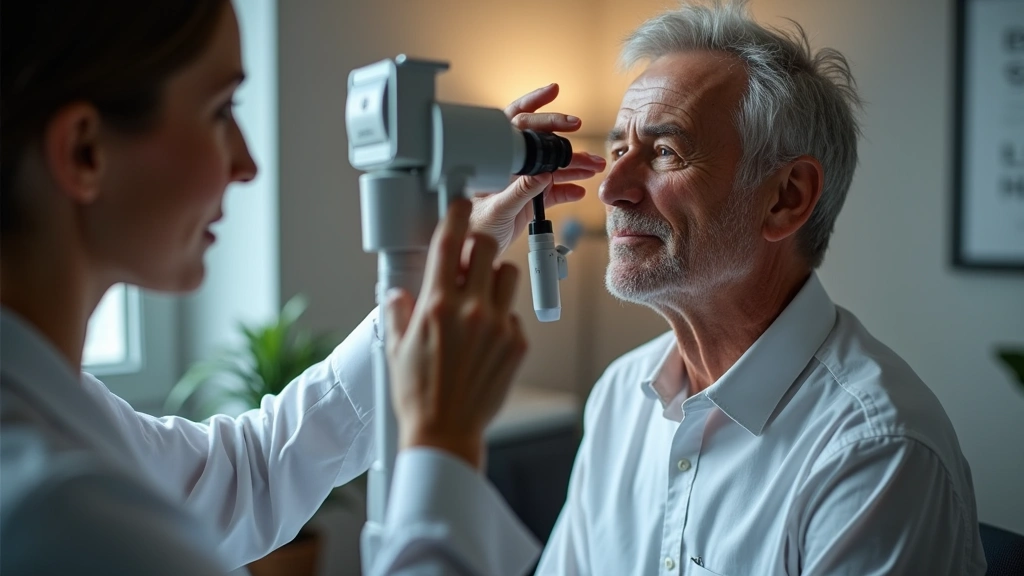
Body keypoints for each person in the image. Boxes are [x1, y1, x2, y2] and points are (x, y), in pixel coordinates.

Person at [0, 1, 605, 575]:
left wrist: (449, 263)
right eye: (219, 111)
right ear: (84, 151)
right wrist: (441, 445)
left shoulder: (58, 410)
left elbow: (246, 474)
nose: (246, 163)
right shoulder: (49, 508)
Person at [535, 2, 987, 575]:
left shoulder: (875, 450)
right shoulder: (619, 397)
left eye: (666, 151)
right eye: (620, 148)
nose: (612, 189)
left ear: (787, 197)